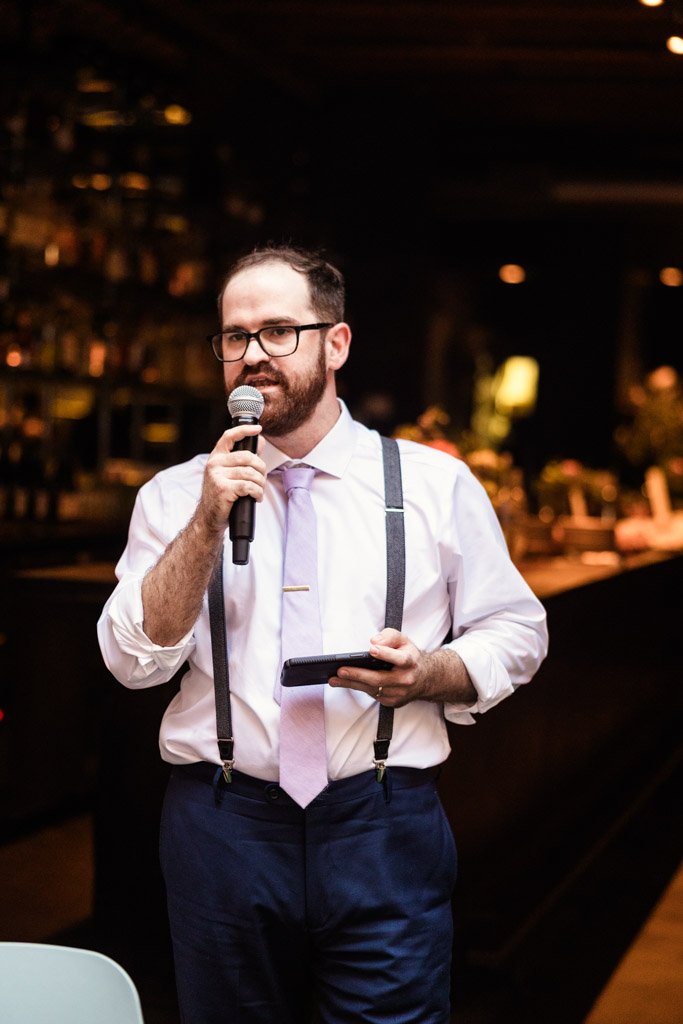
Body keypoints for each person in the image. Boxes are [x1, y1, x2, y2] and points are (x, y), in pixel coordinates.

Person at [98, 243, 548, 1024]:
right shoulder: (173, 498)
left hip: (381, 817)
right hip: (223, 822)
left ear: (335, 343)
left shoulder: (433, 484)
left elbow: (516, 629)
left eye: (279, 332)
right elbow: (133, 662)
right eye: (234, 337)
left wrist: (430, 673)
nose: (252, 356)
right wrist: (208, 519)